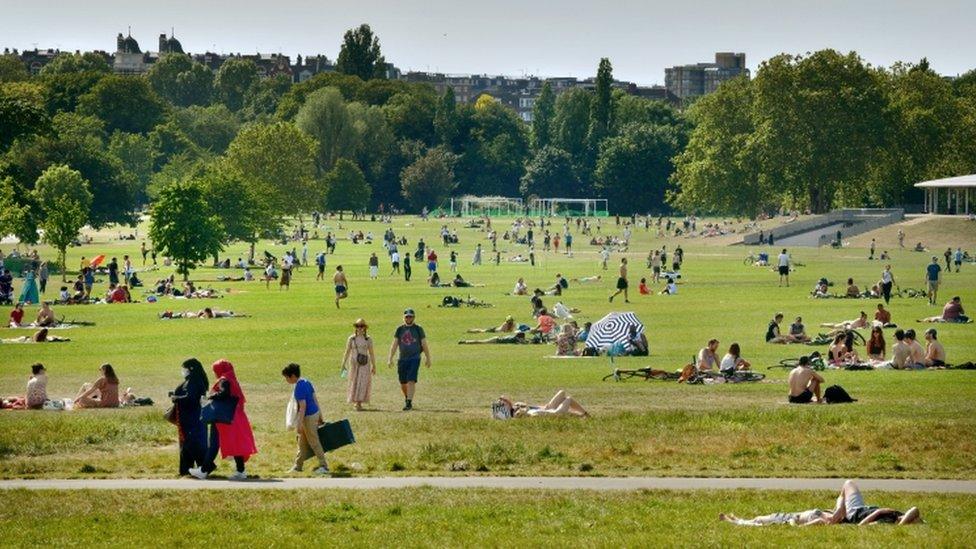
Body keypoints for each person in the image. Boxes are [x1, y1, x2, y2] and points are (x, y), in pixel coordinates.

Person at [190, 360, 258, 480]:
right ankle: (240, 471)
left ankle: (203, 470)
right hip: (235, 417)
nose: (214, 373)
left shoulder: (224, 380)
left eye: (215, 370)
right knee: (235, 443)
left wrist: (210, 396)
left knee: (214, 444)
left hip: (222, 418)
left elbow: (224, 394)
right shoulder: (233, 379)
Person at [282, 363, 329, 474]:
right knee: (302, 443)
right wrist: (320, 416)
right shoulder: (307, 382)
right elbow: (315, 399)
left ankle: (324, 466)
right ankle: (298, 466)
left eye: (286, 378)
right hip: (315, 414)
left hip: (308, 417)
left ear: (292, 376)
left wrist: (299, 424)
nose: (286, 380)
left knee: (314, 442)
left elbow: (303, 407)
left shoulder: (298, 388)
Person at [170, 358, 209, 477]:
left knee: (190, 443)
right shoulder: (194, 380)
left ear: (190, 369)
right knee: (186, 443)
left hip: (191, 418)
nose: (183, 371)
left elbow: (191, 398)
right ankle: (186, 470)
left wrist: (175, 398)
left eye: (184, 368)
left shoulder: (194, 381)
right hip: (191, 417)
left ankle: (205, 467)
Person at [388, 309, 432, 411]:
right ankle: (408, 398)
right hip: (402, 359)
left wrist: (428, 358)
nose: (408, 318)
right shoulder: (399, 329)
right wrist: (390, 358)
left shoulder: (418, 329)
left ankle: (409, 402)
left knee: (411, 380)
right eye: (407, 317)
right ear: (403, 317)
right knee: (403, 382)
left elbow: (424, 344)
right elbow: (394, 344)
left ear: (414, 317)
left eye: (410, 316)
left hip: (415, 358)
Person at [835, 479, 921, 525]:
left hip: (854, 513)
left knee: (847, 485)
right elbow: (915, 510)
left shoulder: (886, 523)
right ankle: (837, 510)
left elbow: (861, 526)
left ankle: (836, 512)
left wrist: (878, 512)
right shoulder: (897, 515)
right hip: (861, 508)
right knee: (848, 483)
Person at [341, 319, 376, 411]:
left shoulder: (368, 339)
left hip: (364, 363)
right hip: (353, 363)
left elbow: (371, 353)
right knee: (354, 381)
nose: (359, 328)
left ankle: (359, 402)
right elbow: (347, 351)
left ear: (365, 328)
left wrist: (374, 365)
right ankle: (355, 401)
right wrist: (343, 363)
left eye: (361, 326)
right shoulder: (351, 339)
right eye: (357, 326)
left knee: (363, 382)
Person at [496, 390, 589, 418]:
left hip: (544, 409)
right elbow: (528, 412)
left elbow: (533, 408)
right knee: (568, 399)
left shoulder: (517, 405)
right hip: (545, 412)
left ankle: (583, 415)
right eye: (503, 402)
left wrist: (545, 407)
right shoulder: (515, 414)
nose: (506, 400)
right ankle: (584, 415)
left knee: (562, 393)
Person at [719, 508, 838, 527]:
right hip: (789, 514)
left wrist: (794, 525)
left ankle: (733, 521)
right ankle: (739, 520)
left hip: (789, 519)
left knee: (759, 521)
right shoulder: (830, 512)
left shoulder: (824, 521)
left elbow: (803, 526)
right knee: (758, 517)